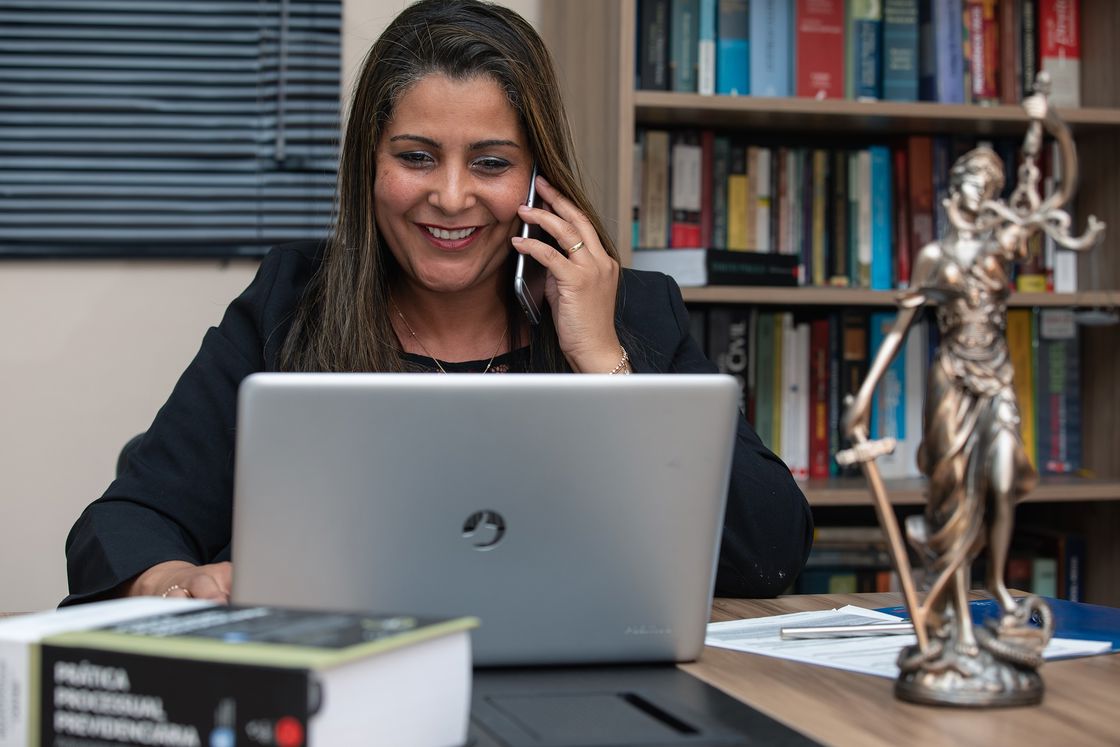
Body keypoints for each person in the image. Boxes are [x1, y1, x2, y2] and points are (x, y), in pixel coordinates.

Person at [64, 0, 812, 606]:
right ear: (370, 163)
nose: (450, 197)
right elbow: (129, 519)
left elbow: (770, 552)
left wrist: (604, 361)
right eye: (416, 156)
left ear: (536, 180)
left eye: (490, 163)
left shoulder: (635, 312)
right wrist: (172, 584)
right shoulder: (289, 303)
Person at [841, 80, 1100, 694]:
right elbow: (902, 327)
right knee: (952, 503)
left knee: (1007, 479)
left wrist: (1053, 124)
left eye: (984, 190)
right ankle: (955, 628)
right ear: (952, 191)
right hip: (951, 382)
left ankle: (1001, 588)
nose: (973, 199)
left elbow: (1062, 190)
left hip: (997, 379)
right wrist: (862, 397)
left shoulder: (1003, 245)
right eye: (965, 187)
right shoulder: (933, 255)